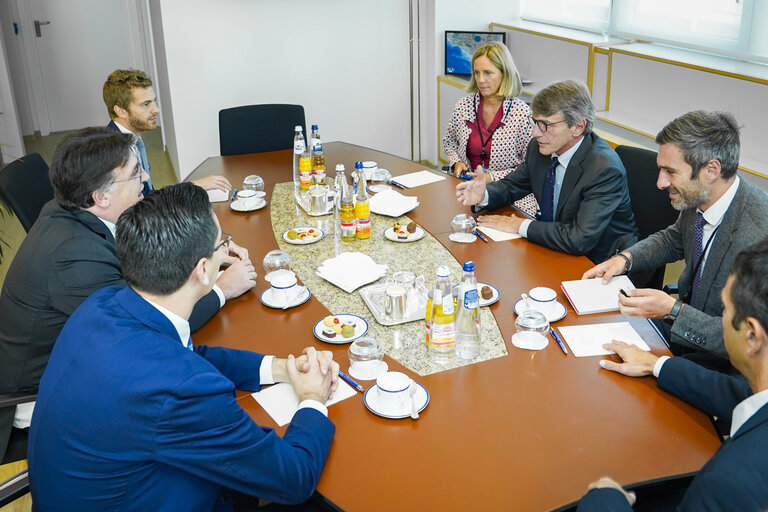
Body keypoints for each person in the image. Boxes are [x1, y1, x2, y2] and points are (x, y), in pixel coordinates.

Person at [28, 183, 338, 511]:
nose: (227, 249)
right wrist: (312, 398)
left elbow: (185, 357)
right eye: (222, 243)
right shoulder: (182, 391)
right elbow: (293, 479)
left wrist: (278, 368)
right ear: (203, 270)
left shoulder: (103, 304)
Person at [0, 128, 256, 464]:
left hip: (76, 353)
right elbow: (146, 323)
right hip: (43, 392)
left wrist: (205, 257)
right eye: (136, 173)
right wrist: (222, 288)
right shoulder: (72, 255)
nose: (147, 177)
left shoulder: (76, 211)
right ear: (101, 196)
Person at [577, 238, 768, 511]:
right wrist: (656, 365)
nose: (721, 318)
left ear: (752, 334)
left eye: (725, 309)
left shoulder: (729, 484)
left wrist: (605, 499)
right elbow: (737, 394)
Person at [583, 111, 768, 361]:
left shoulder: (759, 234)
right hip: (680, 333)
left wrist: (673, 310)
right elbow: (673, 239)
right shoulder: (699, 197)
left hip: (724, 363)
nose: (660, 183)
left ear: (711, 170)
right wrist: (625, 259)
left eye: (670, 172)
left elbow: (747, 339)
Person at [455, 80, 637, 263]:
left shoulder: (604, 170)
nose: (535, 132)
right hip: (555, 248)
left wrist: (519, 225)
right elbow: (513, 185)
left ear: (578, 127)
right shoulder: (540, 148)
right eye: (535, 122)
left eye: (545, 125)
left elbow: (579, 239)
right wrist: (484, 195)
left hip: (600, 262)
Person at [442, 42, 537, 216]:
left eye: (488, 73)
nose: (480, 80)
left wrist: (491, 177)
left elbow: (531, 166)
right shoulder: (464, 106)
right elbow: (449, 141)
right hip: (467, 189)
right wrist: (456, 161)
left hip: (511, 195)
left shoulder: (521, 113)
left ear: (504, 74)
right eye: (477, 73)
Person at [103, 68, 231, 195]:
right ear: (121, 111)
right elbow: (143, 204)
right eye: (146, 104)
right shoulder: (112, 153)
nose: (156, 109)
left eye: (154, 101)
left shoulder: (132, 138)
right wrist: (195, 186)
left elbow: (148, 193)